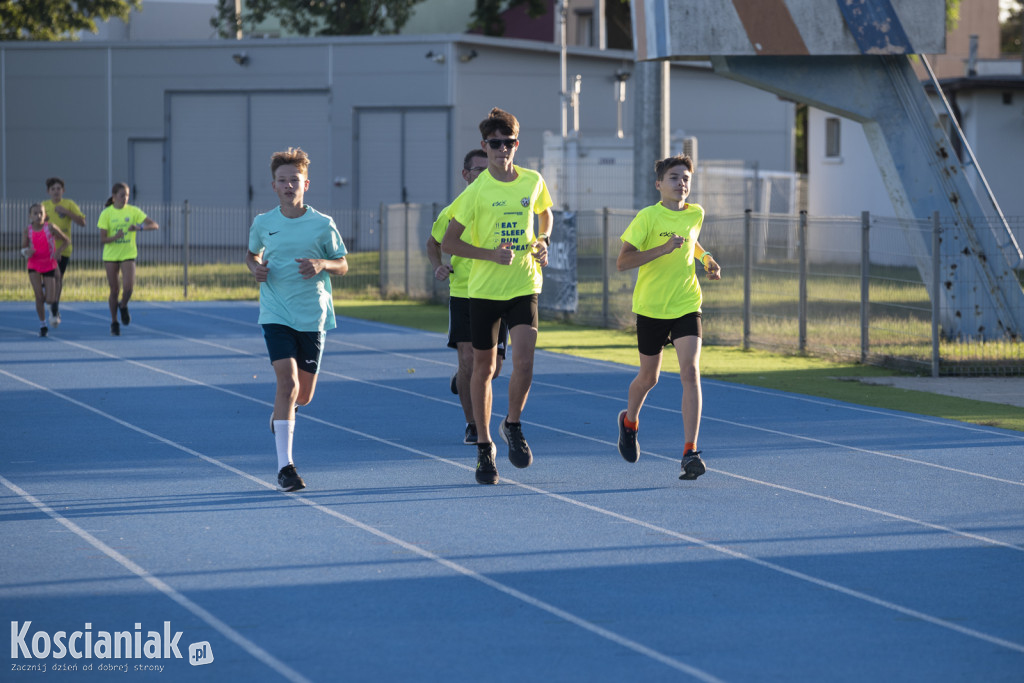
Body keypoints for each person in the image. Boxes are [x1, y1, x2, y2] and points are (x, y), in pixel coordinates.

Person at [441, 107, 553, 485]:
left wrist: (542, 240)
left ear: (516, 145)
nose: (502, 149)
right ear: (484, 147)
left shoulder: (533, 180)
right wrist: (489, 254)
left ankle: (513, 423)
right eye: (494, 144)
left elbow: (545, 213)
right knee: (484, 370)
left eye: (508, 143)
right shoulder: (476, 192)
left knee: (524, 362)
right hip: (485, 290)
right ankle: (485, 447)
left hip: (524, 284)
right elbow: (449, 241)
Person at [245, 147, 349, 493]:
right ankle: (285, 467)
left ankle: (283, 414)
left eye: (295, 180)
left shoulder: (322, 224)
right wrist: (255, 268)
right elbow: (251, 254)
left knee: (302, 396)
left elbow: (343, 264)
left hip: (312, 315)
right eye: (282, 180)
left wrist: (322, 264)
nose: (289, 186)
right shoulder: (263, 223)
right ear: (273, 186)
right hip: (276, 312)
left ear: (306, 184)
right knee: (286, 384)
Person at [615, 155, 721, 480]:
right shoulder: (648, 217)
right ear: (659, 184)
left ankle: (690, 451)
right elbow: (623, 261)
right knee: (650, 378)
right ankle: (629, 421)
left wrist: (706, 258)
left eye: (686, 177)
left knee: (690, 372)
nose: (681, 183)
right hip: (651, 308)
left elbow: (692, 242)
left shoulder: (696, 214)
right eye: (674, 177)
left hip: (687, 304)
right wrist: (661, 250)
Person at [426, 149, 509, 446]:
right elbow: (433, 243)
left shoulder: (502, 205)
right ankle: (473, 424)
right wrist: (438, 266)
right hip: (464, 292)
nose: (485, 175)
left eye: (489, 170)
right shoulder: (452, 210)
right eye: (478, 170)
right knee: (469, 359)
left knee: (493, 368)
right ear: (466, 175)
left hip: (498, 292)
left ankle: (462, 379)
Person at [97, 182, 159, 336]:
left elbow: (154, 225)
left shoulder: (133, 211)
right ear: (114, 197)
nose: (125, 198)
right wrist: (115, 237)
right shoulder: (106, 213)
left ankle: (123, 305)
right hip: (111, 255)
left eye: (127, 196)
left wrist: (139, 228)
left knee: (129, 287)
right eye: (122, 195)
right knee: (114, 290)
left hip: (128, 254)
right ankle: (114, 321)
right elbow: (103, 239)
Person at [41, 177, 86, 326]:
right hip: (46, 249)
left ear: (63, 191)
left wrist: (66, 212)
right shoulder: (44, 206)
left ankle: (54, 306)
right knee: (52, 278)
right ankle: (50, 298)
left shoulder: (69, 204)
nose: (56, 191)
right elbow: (36, 224)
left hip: (63, 249)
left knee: (58, 278)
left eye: (58, 188)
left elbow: (82, 222)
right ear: (48, 192)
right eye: (53, 189)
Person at [22, 204, 70, 337]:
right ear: (30, 216)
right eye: (35, 213)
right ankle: (43, 325)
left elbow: (67, 241)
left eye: (41, 213)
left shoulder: (50, 227)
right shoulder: (28, 230)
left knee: (50, 299)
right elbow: (23, 249)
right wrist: (26, 252)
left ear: (45, 215)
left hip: (49, 264)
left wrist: (58, 252)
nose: (38, 216)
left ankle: (52, 305)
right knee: (39, 297)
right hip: (34, 265)